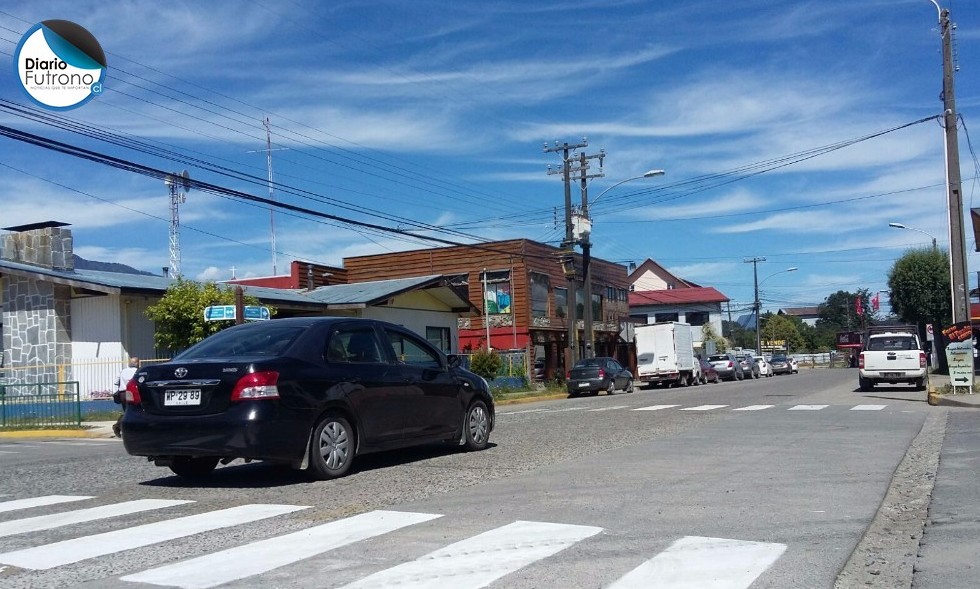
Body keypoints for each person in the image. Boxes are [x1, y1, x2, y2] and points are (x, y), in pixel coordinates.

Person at [112, 356, 139, 437]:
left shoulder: (122, 371)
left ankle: (123, 428)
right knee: (135, 411)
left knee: (127, 411)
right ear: (137, 363)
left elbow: (116, 382)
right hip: (132, 393)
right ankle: (118, 426)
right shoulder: (137, 371)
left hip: (122, 394)